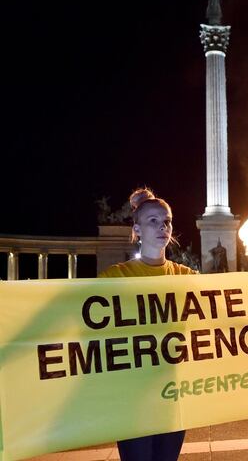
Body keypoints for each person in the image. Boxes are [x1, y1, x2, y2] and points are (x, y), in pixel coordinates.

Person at [98, 188, 197, 461]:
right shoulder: (114, 277)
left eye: (167, 221)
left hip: (173, 396)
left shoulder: (188, 276)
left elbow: (226, 315)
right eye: (153, 220)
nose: (162, 226)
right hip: (131, 400)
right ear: (137, 230)